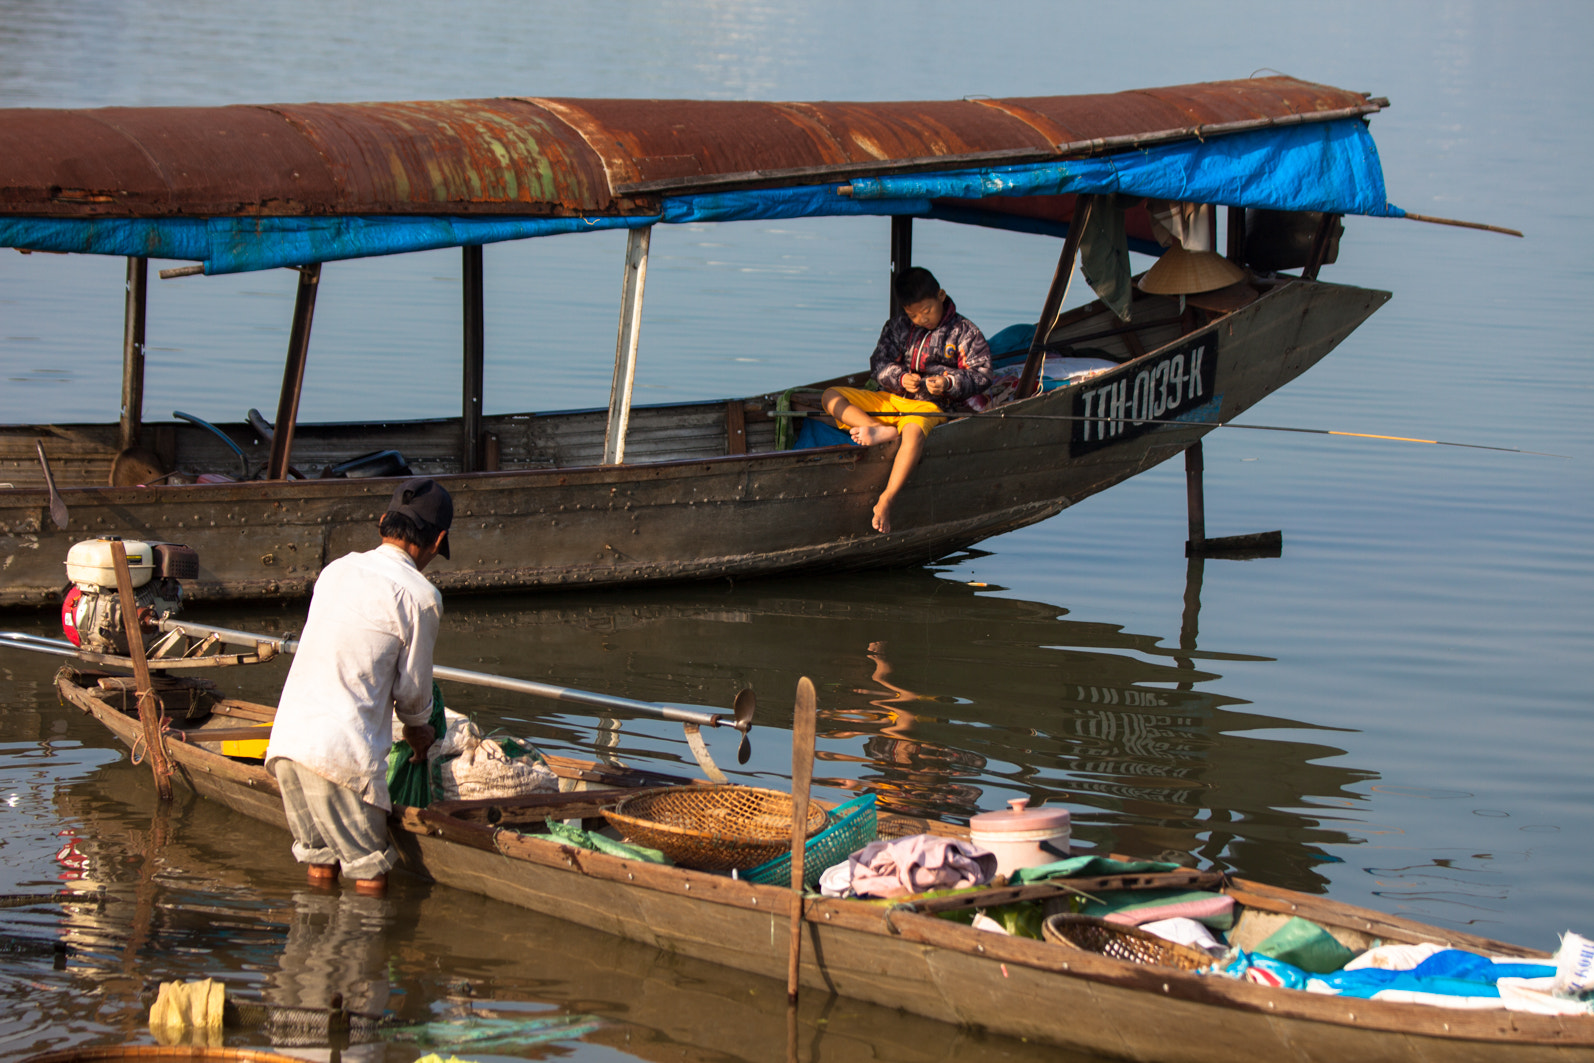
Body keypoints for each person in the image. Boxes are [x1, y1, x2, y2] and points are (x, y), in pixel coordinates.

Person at [263, 477, 453, 897]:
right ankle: (363, 948)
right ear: (437, 540)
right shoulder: (421, 596)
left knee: (320, 861)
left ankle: (311, 950)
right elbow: (414, 694)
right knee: (370, 871)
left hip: (287, 745)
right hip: (340, 755)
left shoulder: (337, 570)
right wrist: (420, 734)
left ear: (384, 521)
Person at [821, 267, 991, 533]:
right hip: (889, 399)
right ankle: (877, 429)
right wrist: (900, 378)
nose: (921, 319)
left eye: (927, 310)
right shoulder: (897, 327)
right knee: (830, 396)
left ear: (941, 296)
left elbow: (982, 374)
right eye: (913, 314)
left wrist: (948, 383)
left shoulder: (964, 331)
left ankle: (887, 498)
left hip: (929, 406)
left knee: (912, 434)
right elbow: (878, 364)